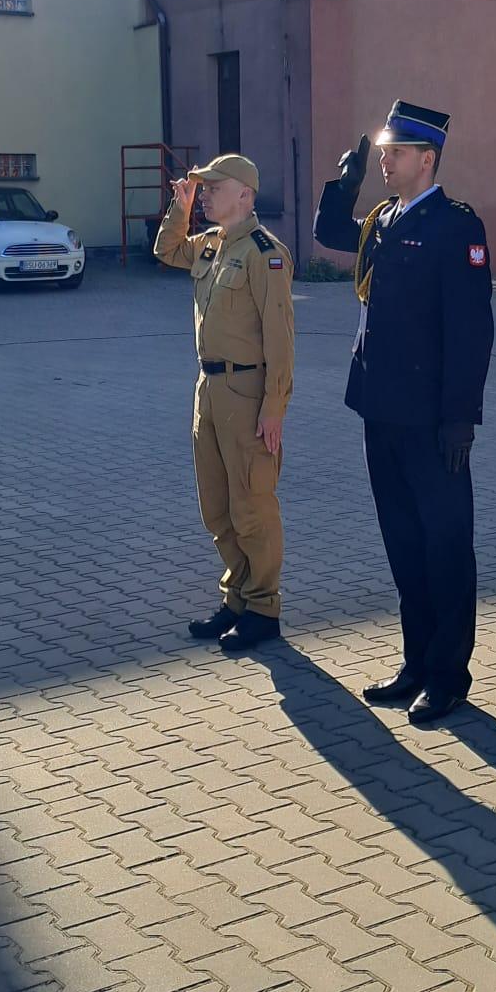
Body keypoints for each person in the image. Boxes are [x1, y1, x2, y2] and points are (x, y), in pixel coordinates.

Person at [314, 101, 494, 725]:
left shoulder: (455, 227)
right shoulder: (383, 220)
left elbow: (471, 331)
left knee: (445, 546)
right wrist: (346, 182)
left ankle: (448, 676)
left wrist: (460, 418)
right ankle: (416, 663)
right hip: (380, 409)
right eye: (383, 151)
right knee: (404, 544)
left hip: (432, 420)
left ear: (427, 159)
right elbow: (330, 234)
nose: (385, 161)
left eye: (395, 152)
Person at [154, 153, 295, 652]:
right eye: (204, 188)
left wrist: (274, 407)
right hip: (209, 390)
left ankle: (263, 608)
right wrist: (181, 206)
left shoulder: (265, 254)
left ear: (245, 195)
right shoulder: (210, 244)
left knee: (252, 505)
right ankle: (237, 598)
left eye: (214, 187)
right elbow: (167, 250)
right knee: (217, 507)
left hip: (247, 393)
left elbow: (280, 339)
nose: (206, 194)